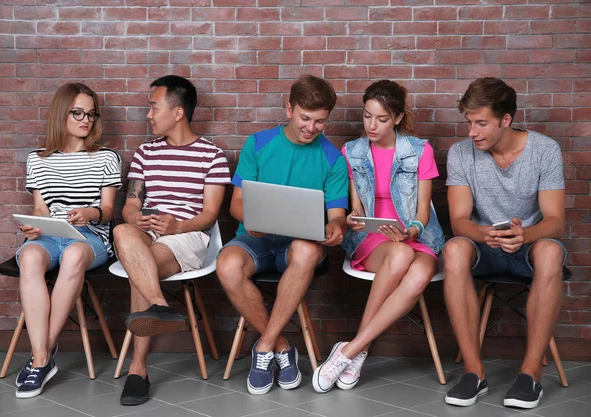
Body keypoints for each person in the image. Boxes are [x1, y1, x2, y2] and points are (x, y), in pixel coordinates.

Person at [216, 75, 348, 395]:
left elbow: (337, 217)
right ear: (288, 109)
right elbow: (236, 204)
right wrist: (252, 220)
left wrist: (336, 229)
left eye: (320, 121)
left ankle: (262, 349)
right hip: (256, 238)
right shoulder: (258, 143)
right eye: (305, 118)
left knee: (304, 250)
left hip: (301, 245)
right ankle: (281, 346)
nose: (311, 127)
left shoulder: (332, 157)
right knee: (227, 265)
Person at [311, 80, 445, 393]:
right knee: (400, 255)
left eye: (382, 119)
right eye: (367, 116)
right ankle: (357, 350)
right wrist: (353, 219)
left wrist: (410, 231)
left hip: (415, 235)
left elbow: (423, 213)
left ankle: (352, 350)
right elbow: (355, 210)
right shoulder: (352, 152)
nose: (372, 125)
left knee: (419, 270)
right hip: (374, 240)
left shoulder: (419, 151)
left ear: (397, 118)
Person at [443, 77, 566, 409]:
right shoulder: (460, 153)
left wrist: (525, 234)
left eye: (481, 123)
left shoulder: (545, 150)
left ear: (506, 119)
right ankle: (474, 373)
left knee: (552, 252)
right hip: (483, 243)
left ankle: (529, 375)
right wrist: (486, 235)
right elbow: (459, 221)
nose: (472, 132)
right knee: (453, 249)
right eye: (469, 122)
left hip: (529, 243)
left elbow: (555, 219)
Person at [113, 75, 230, 406]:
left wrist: (177, 226)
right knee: (123, 231)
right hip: (146, 231)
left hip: (188, 234)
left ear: (177, 112)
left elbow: (210, 215)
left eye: (153, 107)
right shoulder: (146, 153)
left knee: (141, 266)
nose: (148, 115)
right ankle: (159, 305)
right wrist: (136, 217)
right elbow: (131, 204)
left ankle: (138, 369)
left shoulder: (212, 156)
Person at [14, 83, 122, 398]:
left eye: (91, 114)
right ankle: (44, 357)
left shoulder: (106, 157)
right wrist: (34, 227)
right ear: (62, 113)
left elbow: (108, 210)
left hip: (90, 236)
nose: (86, 119)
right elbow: (39, 208)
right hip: (50, 235)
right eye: (78, 112)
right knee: (31, 257)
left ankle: (39, 358)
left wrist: (89, 213)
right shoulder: (38, 159)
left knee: (75, 254)